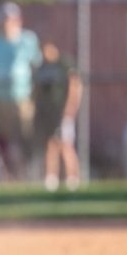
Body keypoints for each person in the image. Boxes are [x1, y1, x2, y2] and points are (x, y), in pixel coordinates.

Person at [0, 1, 42, 181]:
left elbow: (37, 67)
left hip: (22, 97)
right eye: (3, 19)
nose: (6, 23)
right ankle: (8, 177)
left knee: (24, 137)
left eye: (9, 19)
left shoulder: (28, 40)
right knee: (3, 141)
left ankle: (28, 174)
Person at [32, 40, 82, 191]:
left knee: (66, 145)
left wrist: (71, 108)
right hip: (48, 114)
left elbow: (75, 85)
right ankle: (51, 178)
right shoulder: (43, 67)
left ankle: (73, 179)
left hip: (63, 113)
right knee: (51, 145)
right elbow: (37, 89)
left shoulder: (64, 64)